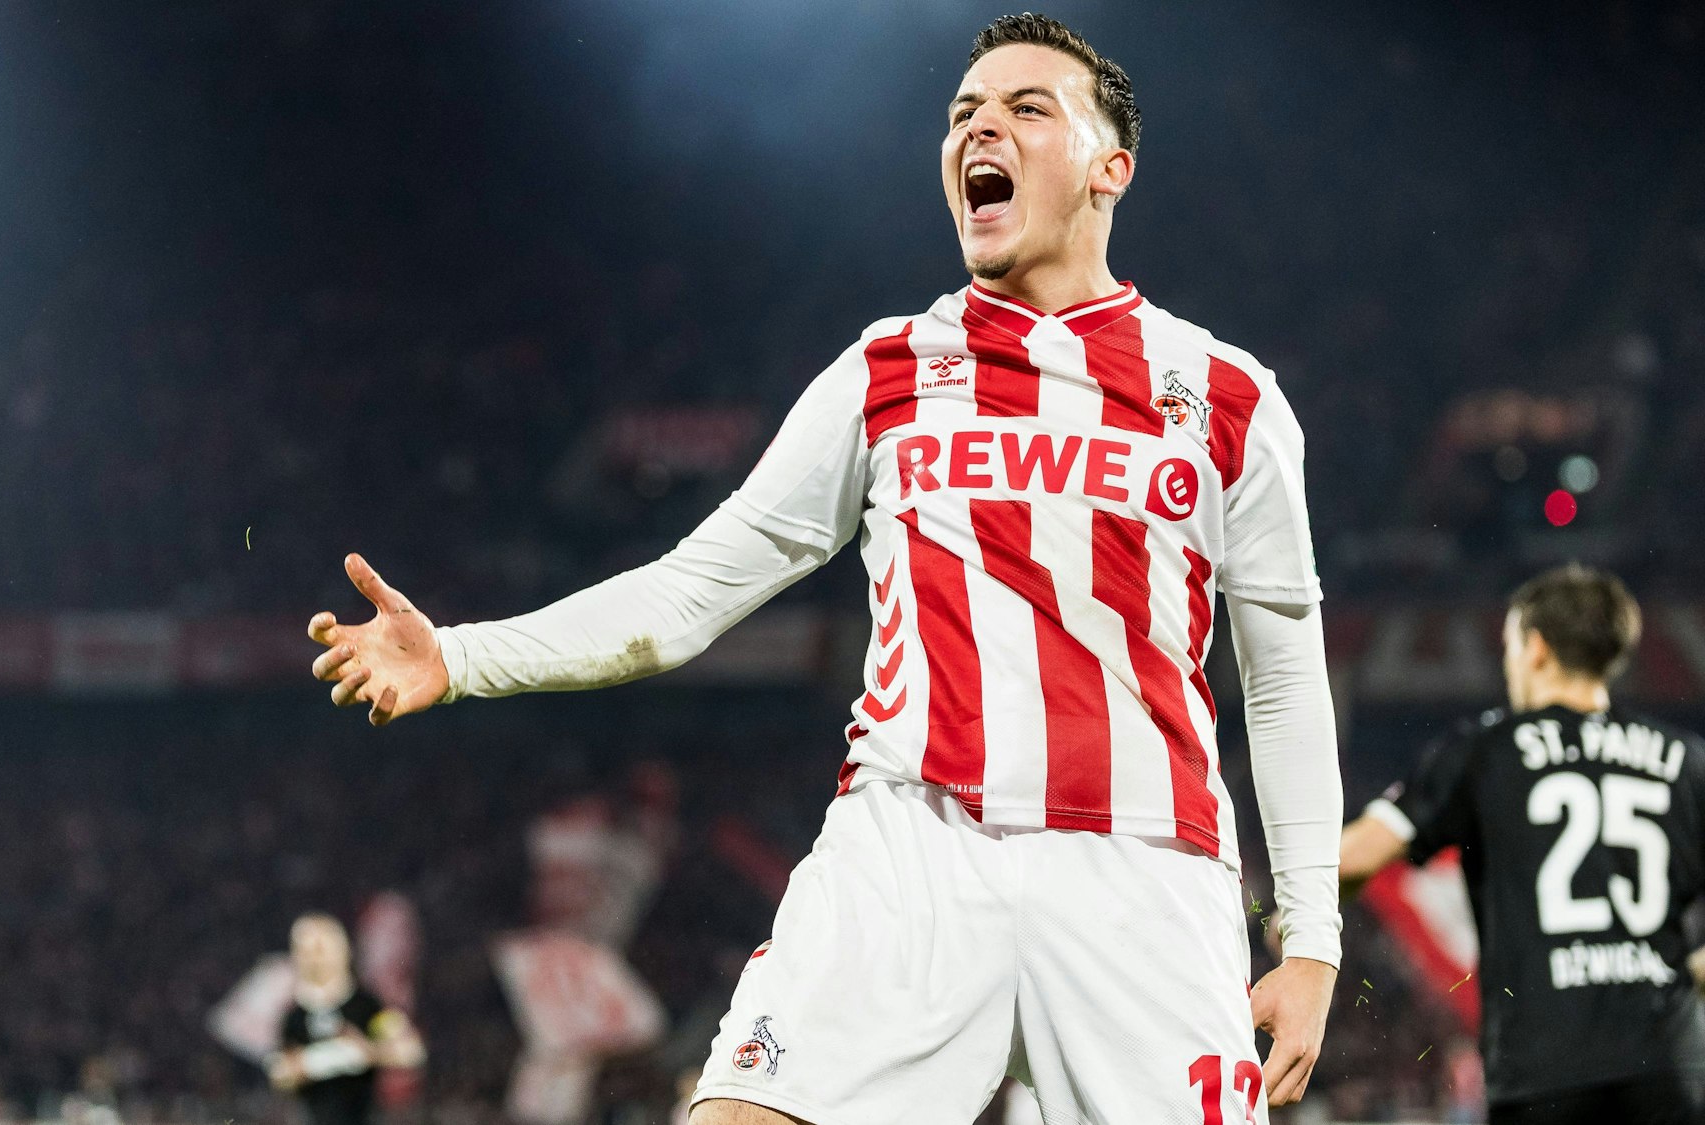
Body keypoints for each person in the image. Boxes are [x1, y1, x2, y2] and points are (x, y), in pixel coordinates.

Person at [308, 13, 1341, 1123]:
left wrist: (1312, 941)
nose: (980, 128)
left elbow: (1282, 680)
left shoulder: (1227, 398)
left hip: (1144, 871)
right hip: (910, 850)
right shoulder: (885, 372)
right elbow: (690, 591)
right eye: (963, 113)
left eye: (1026, 108)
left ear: (1110, 169)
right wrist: (461, 657)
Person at [1338, 565, 1705, 1124]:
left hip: (1545, 1070)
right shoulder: (1684, 760)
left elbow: (1353, 858)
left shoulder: (1486, 751)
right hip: (1671, 1068)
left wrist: (1300, 915)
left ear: (1535, 647)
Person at [268, 913, 425, 1125]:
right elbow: (279, 1073)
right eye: (304, 951)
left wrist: (370, 1053)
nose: (312, 959)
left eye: (319, 949)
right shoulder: (294, 1016)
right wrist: (302, 1067)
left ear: (340, 950)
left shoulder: (367, 1006)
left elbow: (411, 1052)